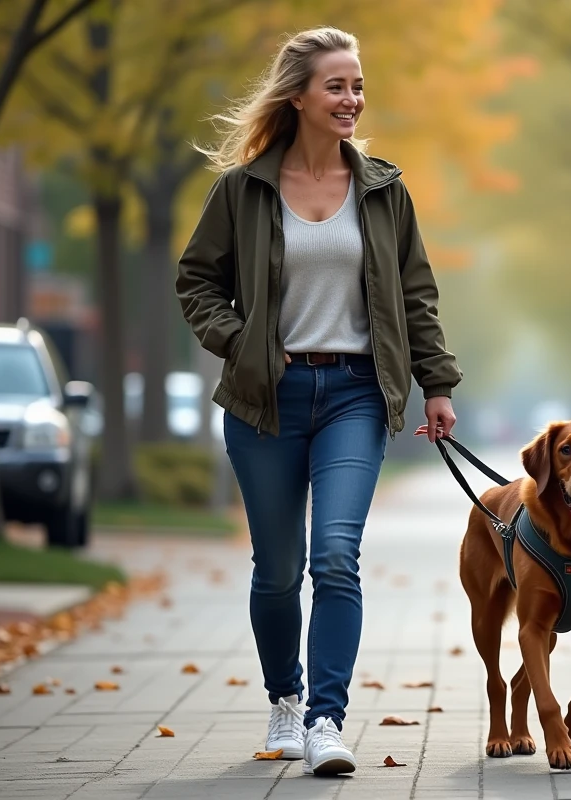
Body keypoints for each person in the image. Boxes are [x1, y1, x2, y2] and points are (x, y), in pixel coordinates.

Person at [175, 26, 460, 777]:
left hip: (355, 395)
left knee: (336, 558)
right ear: (298, 94)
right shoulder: (242, 191)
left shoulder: (383, 190)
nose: (352, 99)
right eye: (337, 86)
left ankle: (328, 719)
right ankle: (286, 704)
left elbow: (415, 294)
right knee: (277, 569)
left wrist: (437, 384)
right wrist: (241, 342)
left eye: (358, 86)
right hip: (264, 397)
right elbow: (196, 281)